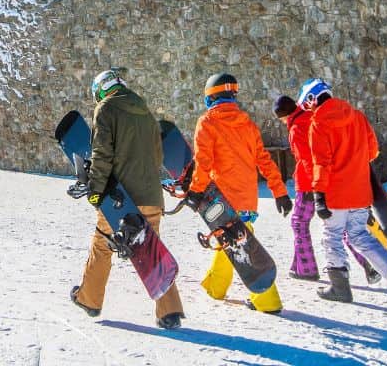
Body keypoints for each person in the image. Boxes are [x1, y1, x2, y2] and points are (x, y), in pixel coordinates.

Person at [68, 69, 185, 329]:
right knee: (152, 249)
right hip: (151, 194)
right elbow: (157, 156)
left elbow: (102, 154)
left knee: (102, 244)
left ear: (100, 90)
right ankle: (170, 312)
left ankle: (89, 299)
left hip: (121, 197)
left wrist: (96, 189)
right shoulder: (144, 110)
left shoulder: (106, 109)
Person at [185, 73, 293, 314]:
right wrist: (280, 192)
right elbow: (264, 160)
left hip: (221, 199)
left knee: (239, 243)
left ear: (210, 97)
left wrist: (195, 191)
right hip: (246, 198)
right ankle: (215, 286)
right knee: (232, 239)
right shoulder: (247, 123)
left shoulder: (208, 122)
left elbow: (203, 162)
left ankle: (268, 299)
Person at [298, 78, 387, 303]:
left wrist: (319, 196)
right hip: (360, 191)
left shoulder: (318, 123)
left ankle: (340, 288)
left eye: (306, 104)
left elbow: (321, 162)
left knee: (331, 237)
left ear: (313, 98)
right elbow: (372, 151)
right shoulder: (357, 116)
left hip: (335, 193)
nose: (307, 109)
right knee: (359, 235)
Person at [274, 95, 380, 284]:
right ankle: (372, 264)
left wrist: (314, 188)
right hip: (333, 183)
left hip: (310, 185)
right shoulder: (313, 117)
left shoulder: (297, 128)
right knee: (342, 227)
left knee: (299, 223)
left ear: (284, 116)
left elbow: (308, 160)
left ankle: (306, 269)